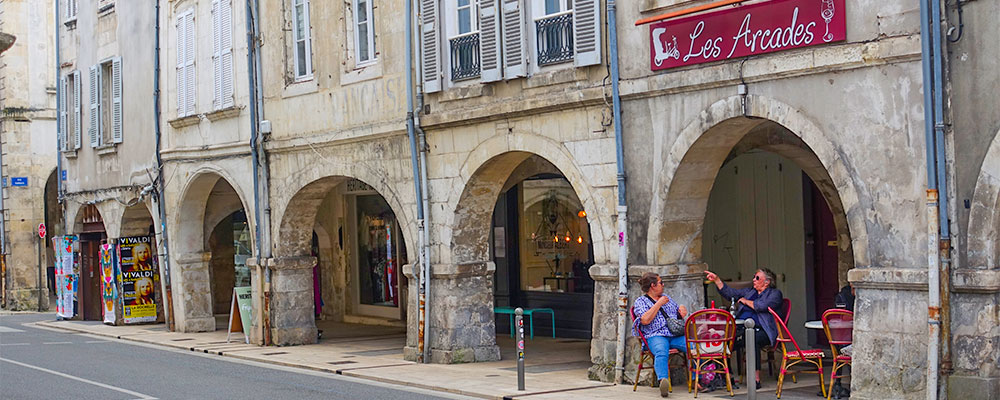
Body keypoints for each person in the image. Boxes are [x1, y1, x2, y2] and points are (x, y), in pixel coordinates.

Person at [704, 268, 783, 389]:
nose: (754, 280)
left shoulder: (774, 294)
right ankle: (727, 377)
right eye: (754, 277)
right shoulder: (750, 292)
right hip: (742, 328)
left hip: (764, 330)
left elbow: (761, 306)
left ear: (767, 282)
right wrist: (717, 280)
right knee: (722, 339)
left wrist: (746, 301)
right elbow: (731, 294)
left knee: (752, 339)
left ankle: (755, 379)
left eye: (757, 278)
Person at [633, 272, 688, 397]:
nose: (663, 285)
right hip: (655, 335)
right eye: (661, 283)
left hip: (674, 334)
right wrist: (658, 304)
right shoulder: (641, 302)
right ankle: (663, 381)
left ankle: (697, 380)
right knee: (661, 351)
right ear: (653, 285)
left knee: (693, 346)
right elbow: (645, 320)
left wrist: (681, 309)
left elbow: (677, 313)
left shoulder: (666, 298)